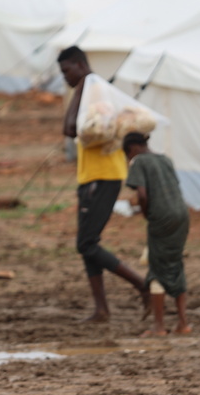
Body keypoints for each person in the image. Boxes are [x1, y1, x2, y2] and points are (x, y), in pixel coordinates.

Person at [57, 46, 148, 322]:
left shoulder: (95, 91)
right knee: (88, 242)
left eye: (67, 71)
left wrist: (81, 87)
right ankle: (101, 309)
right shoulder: (90, 89)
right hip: (92, 176)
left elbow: (70, 128)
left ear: (80, 65)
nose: (65, 78)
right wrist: (79, 87)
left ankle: (141, 284)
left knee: (86, 244)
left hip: (103, 175)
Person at [122, 132, 191, 337]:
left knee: (157, 268)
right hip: (181, 215)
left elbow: (142, 194)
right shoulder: (165, 159)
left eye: (127, 155)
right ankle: (183, 323)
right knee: (175, 263)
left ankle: (159, 327)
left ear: (132, 149)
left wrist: (145, 212)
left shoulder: (139, 162)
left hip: (161, 218)